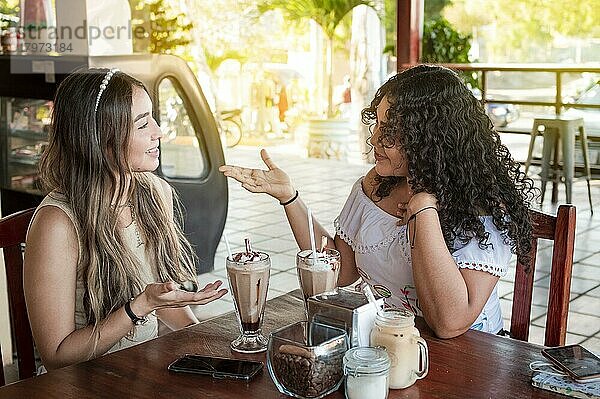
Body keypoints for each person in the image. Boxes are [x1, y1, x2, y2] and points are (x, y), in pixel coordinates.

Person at [220, 65, 536, 339]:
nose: (374, 139)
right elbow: (341, 273)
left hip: (466, 362)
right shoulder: (378, 182)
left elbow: (449, 323)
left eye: (391, 132)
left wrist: (423, 207)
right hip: (387, 340)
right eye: (378, 125)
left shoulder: (482, 203)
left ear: (429, 137)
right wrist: (289, 197)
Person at [24, 68, 227, 371]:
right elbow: (57, 355)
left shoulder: (154, 192)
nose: (159, 132)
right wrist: (139, 306)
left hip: (140, 371)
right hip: (82, 384)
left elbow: (162, 302)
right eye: (143, 124)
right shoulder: (57, 224)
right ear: (100, 139)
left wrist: (206, 350)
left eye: (153, 119)